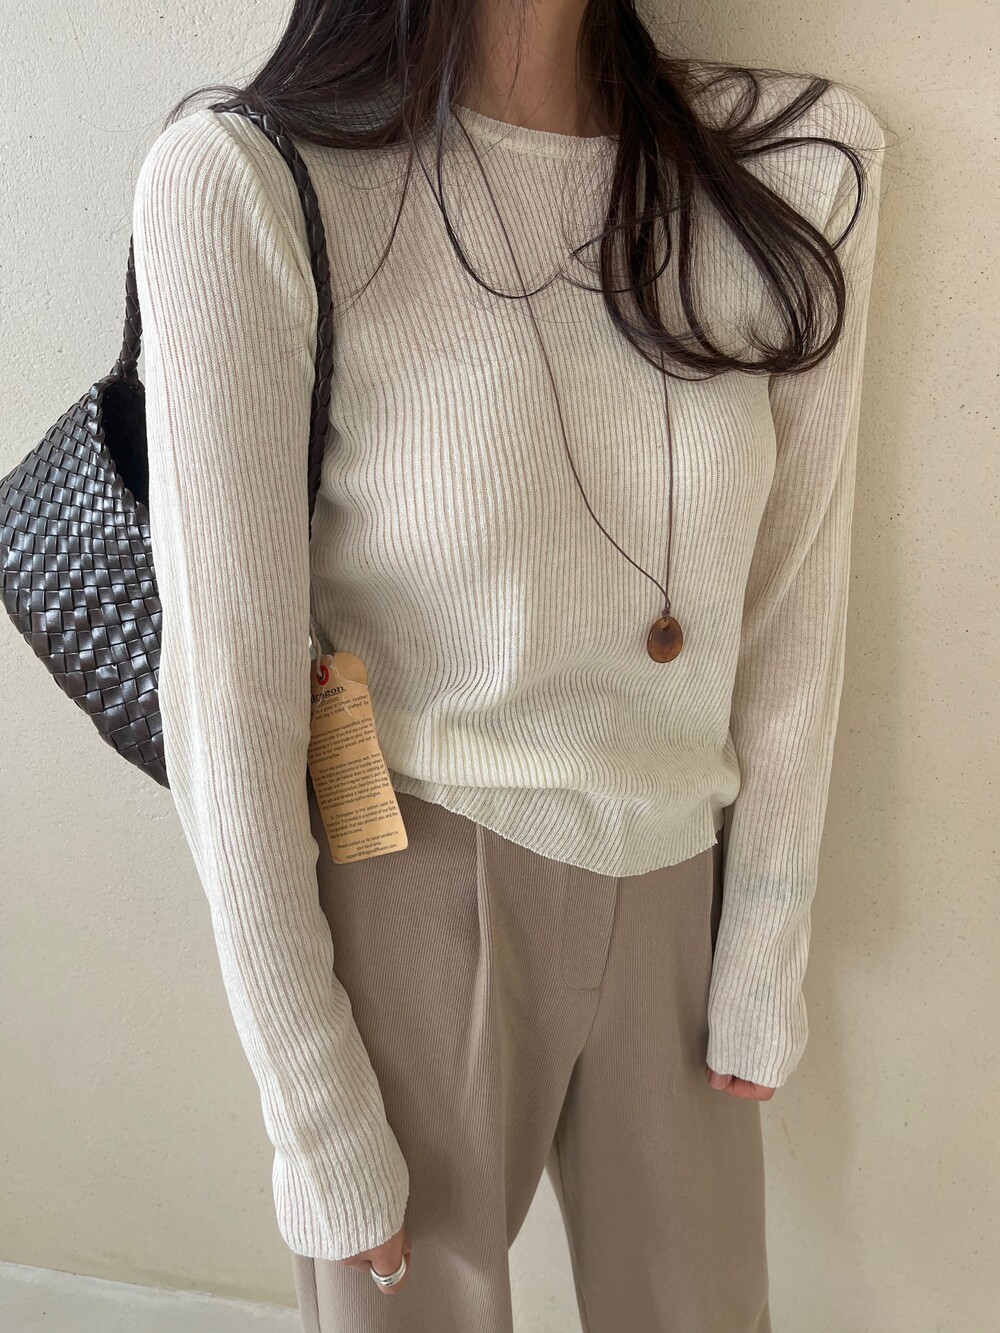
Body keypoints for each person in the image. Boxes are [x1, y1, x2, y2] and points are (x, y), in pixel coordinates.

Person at [131, 0, 885, 1327]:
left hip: (681, 889)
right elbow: (227, 698)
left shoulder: (795, 168)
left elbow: (794, 607)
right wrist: (318, 1117)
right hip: (409, 882)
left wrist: (766, 942)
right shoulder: (249, 180)